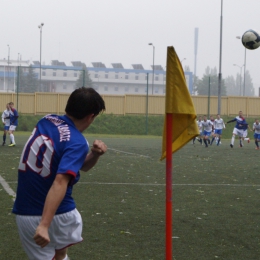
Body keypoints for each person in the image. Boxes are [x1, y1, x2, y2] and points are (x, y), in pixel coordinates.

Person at [12, 87, 107, 260]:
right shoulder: (77, 141)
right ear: (90, 116)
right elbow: (60, 182)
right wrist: (44, 224)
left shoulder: (46, 120)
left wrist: (94, 155)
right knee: (60, 254)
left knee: (57, 255)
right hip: (55, 214)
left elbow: (80, 166)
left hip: (27, 212)